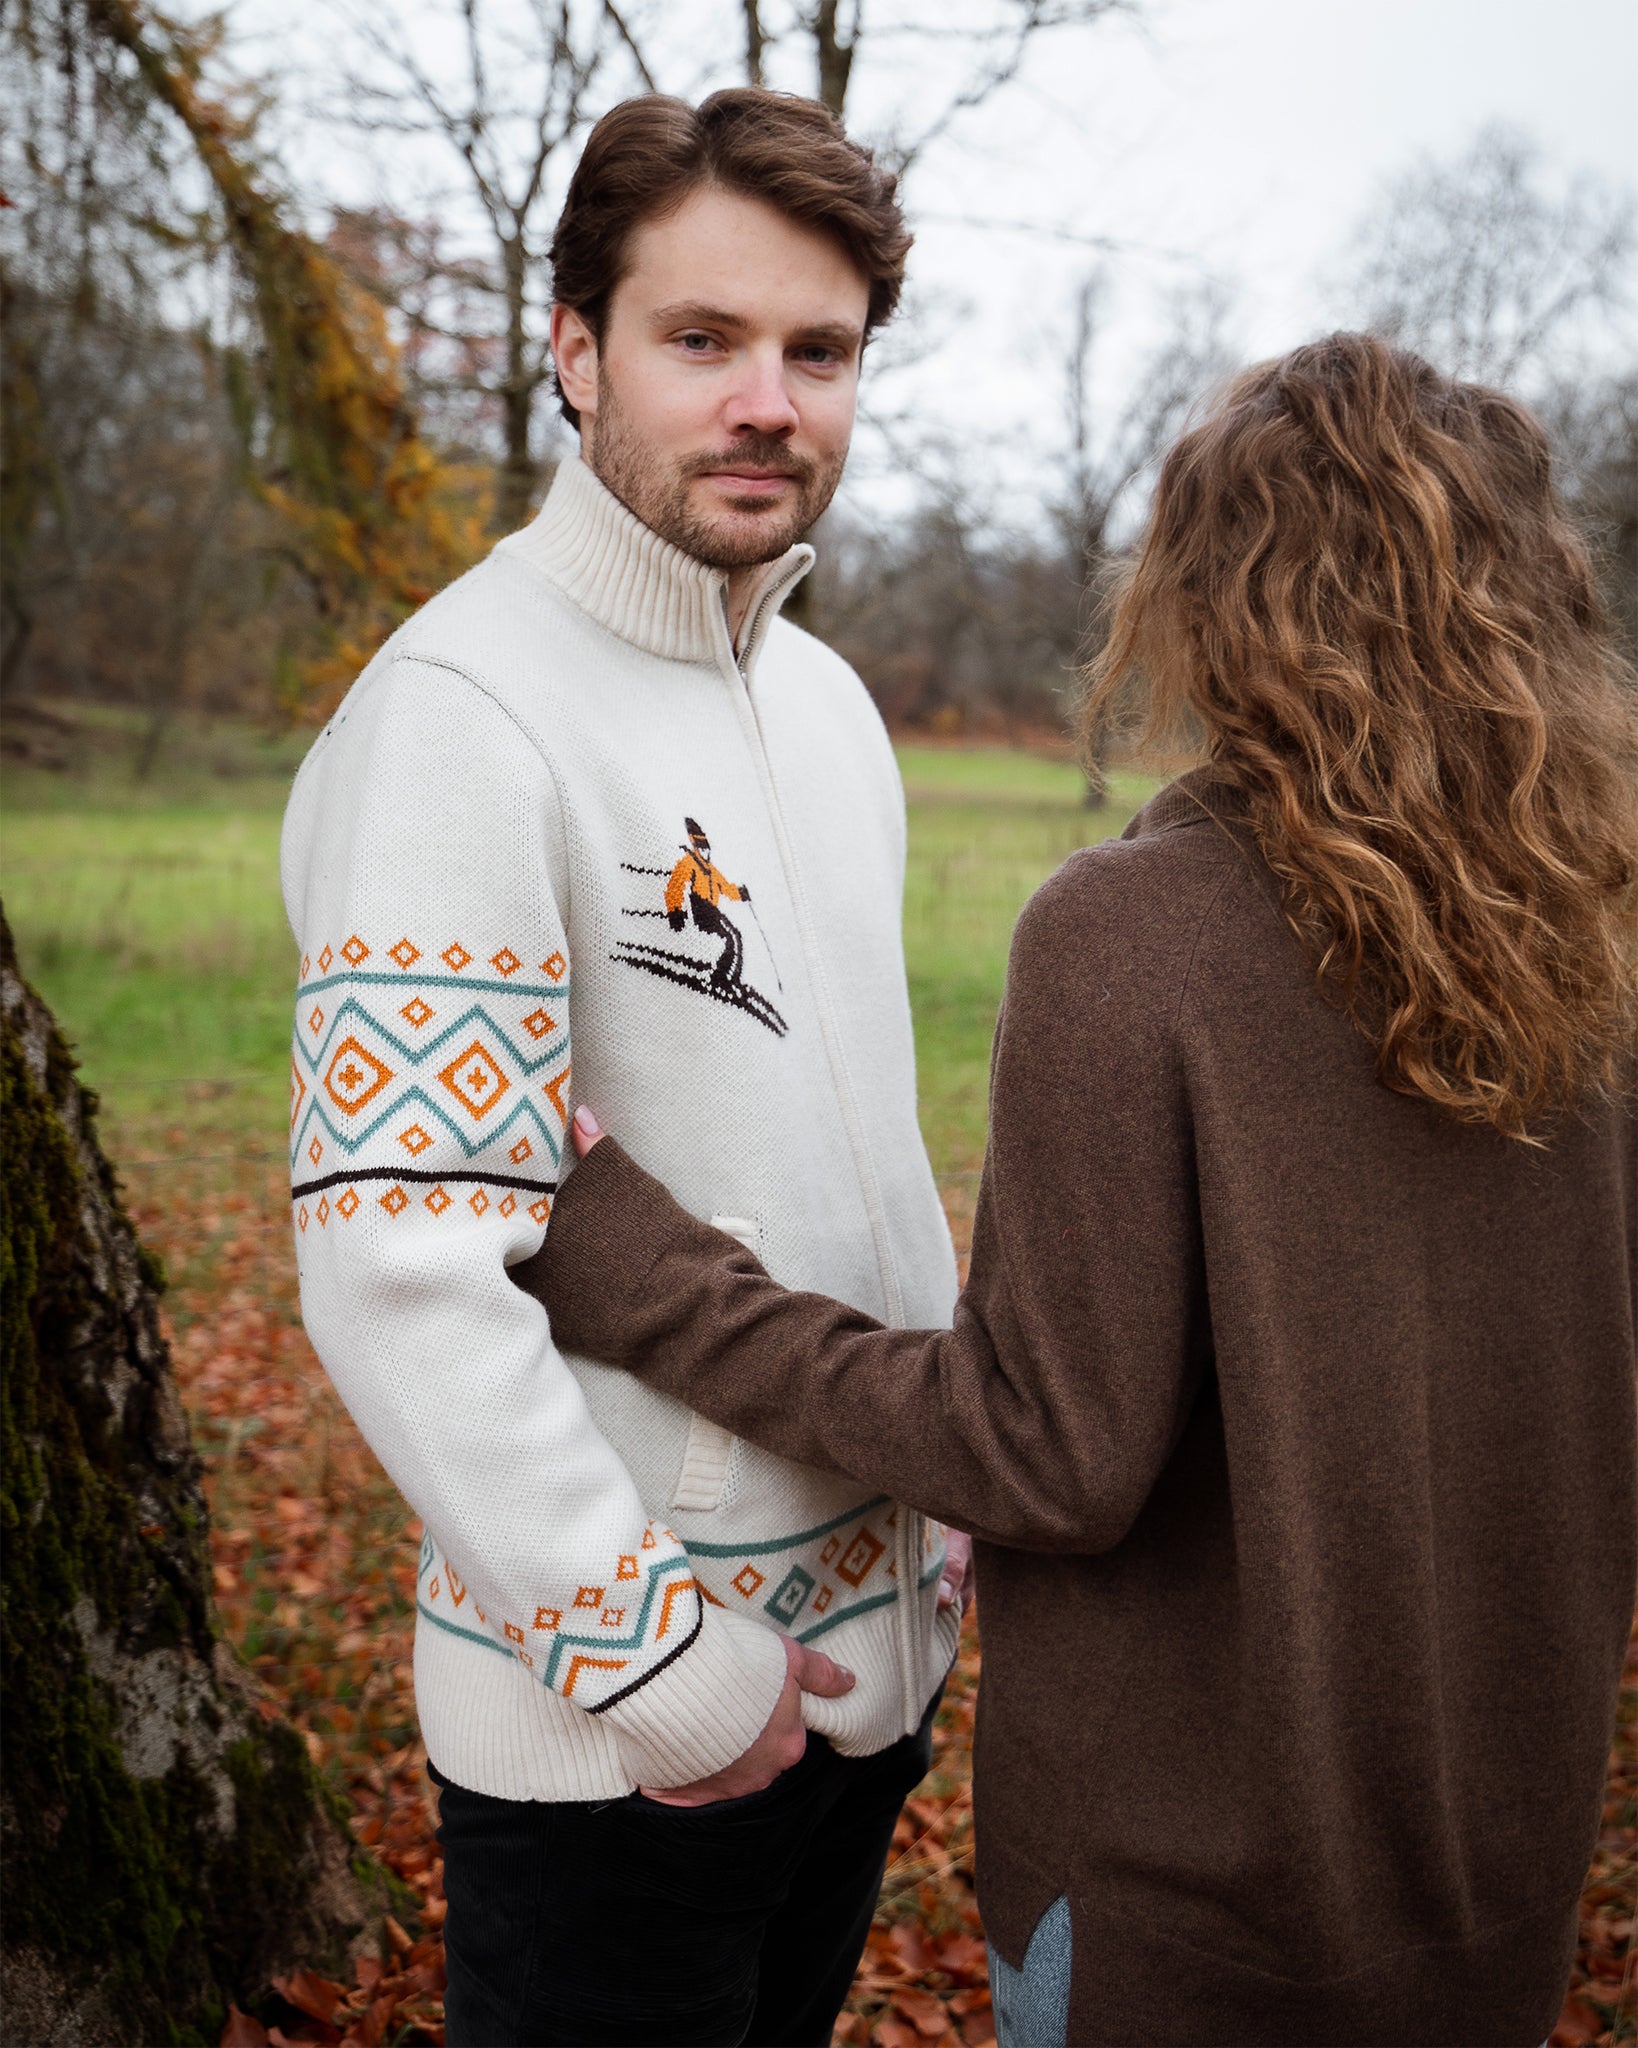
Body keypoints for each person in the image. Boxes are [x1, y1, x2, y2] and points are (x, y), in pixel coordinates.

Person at [528, 334, 1638, 2047]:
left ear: (1216, 593)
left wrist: (637, 1264)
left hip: (1188, 1921)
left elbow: (1045, 1450)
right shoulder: (1598, 923)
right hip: (1497, 1891)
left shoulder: (1137, 937)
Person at [281, 88, 970, 2048]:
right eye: (703, 339)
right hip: (621, 1755)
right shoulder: (460, 714)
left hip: (863, 1686)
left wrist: (950, 1479)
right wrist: (671, 1675)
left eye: (817, 349)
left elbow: (867, 1152)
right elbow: (407, 1278)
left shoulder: (835, 710)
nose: (770, 399)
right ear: (574, 352)